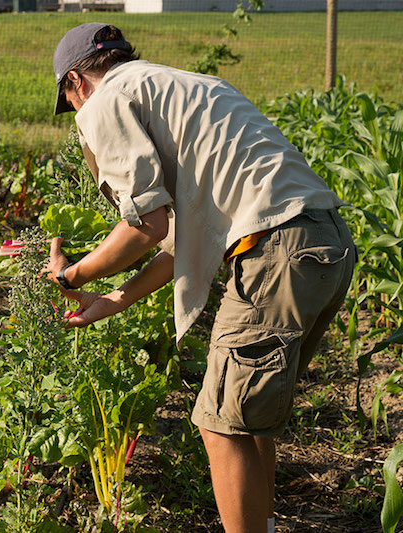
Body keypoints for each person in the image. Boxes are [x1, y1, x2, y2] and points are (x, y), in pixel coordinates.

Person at [45, 22, 356, 533]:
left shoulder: (105, 102)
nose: (78, 115)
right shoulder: (188, 87)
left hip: (275, 251)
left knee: (219, 425)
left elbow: (146, 226)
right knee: (249, 419)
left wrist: (69, 273)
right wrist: (114, 299)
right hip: (325, 243)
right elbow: (178, 243)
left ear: (77, 82)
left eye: (71, 102)